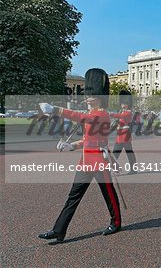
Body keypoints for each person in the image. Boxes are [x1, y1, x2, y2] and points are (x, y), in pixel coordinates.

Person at [38, 68, 122, 243]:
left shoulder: (102, 115)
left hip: (100, 161)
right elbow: (86, 140)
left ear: (98, 97)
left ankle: (116, 222)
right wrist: (70, 146)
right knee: (73, 197)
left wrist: (55, 109)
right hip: (86, 162)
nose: (86, 97)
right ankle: (58, 230)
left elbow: (78, 117)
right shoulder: (91, 114)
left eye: (90, 94)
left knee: (109, 194)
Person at [110, 90, 137, 174]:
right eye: (121, 103)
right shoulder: (122, 111)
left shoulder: (128, 112)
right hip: (120, 135)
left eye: (123, 103)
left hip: (125, 135)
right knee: (115, 153)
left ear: (127, 104)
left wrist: (110, 114)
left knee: (129, 153)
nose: (121, 105)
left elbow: (121, 116)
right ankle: (113, 169)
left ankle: (133, 169)